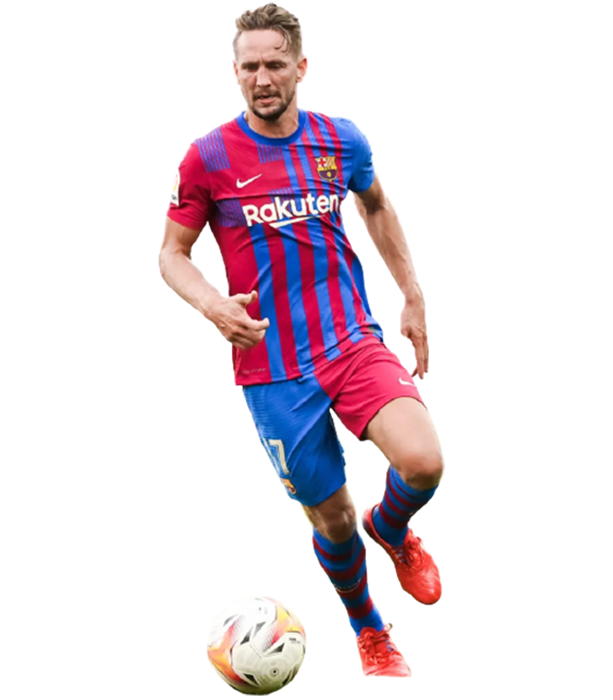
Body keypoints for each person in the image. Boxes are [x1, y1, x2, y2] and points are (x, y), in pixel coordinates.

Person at [159, 5, 444, 679]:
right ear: (236, 73)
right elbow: (169, 252)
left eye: (274, 64)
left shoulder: (339, 142)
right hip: (275, 372)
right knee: (333, 520)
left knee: (424, 462)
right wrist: (210, 302)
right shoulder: (209, 160)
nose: (261, 78)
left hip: (351, 339)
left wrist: (411, 294)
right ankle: (372, 636)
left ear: (300, 68)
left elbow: (376, 205)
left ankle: (390, 531)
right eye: (249, 67)